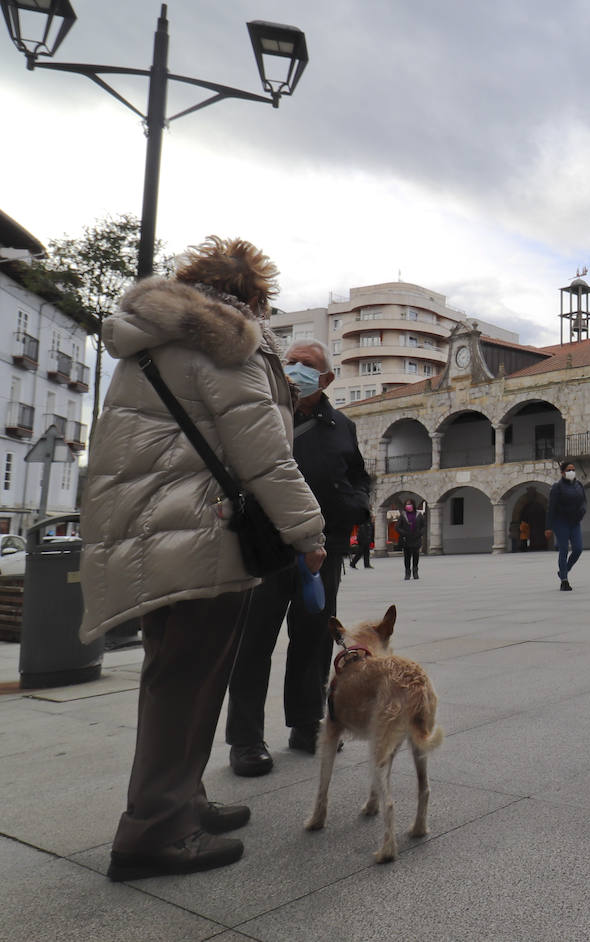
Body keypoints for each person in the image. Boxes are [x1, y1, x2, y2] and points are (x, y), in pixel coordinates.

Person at [78, 237, 326, 880]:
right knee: (184, 684)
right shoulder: (227, 345)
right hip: (194, 531)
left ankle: (181, 801)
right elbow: (265, 455)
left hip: (158, 530)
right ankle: (154, 833)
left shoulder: (157, 341)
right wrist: (309, 533)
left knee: (179, 676)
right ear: (249, 297)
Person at [225, 339, 371, 776]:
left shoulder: (341, 425)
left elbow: (360, 475)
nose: (293, 369)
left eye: (305, 365)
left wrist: (358, 506)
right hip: (267, 549)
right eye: (288, 362)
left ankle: (306, 725)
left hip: (324, 552)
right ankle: (246, 740)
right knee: (254, 644)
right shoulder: (264, 415)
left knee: (313, 642)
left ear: (326, 379)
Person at [545, 460, 586, 590]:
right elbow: (551, 507)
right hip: (560, 522)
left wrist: (582, 512)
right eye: (568, 470)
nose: (571, 472)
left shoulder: (579, 485)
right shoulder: (557, 487)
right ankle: (564, 580)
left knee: (578, 549)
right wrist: (548, 527)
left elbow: (584, 501)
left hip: (575, 522)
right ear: (562, 472)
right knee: (563, 549)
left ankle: (564, 570)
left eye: (573, 469)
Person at [396, 499, 426, 579]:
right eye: (406, 504)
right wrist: (403, 533)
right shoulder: (403, 515)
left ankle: (415, 571)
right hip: (406, 539)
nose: (408, 506)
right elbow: (397, 527)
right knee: (407, 557)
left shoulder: (419, 514)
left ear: (413, 505)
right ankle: (407, 572)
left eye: (409, 504)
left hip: (416, 538)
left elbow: (423, 526)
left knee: (416, 556)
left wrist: (420, 533)